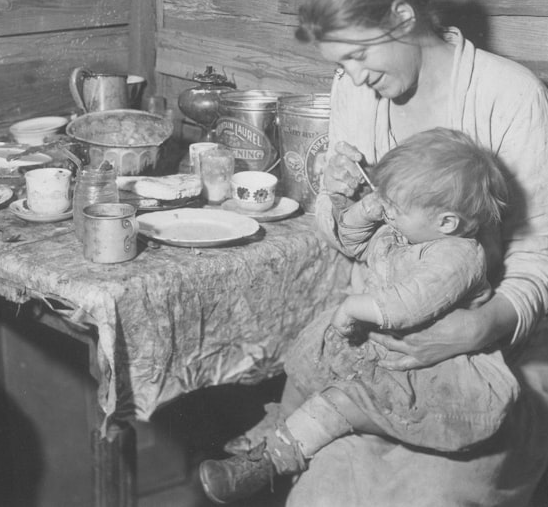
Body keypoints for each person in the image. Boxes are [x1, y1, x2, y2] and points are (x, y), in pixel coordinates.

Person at [242, 0, 548, 506]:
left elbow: (540, 258)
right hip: (391, 336)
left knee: (430, 495)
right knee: (319, 493)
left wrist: (480, 327)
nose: (352, 78)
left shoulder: (513, 97)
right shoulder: (356, 89)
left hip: (504, 350)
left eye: (358, 55)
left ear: (402, 17)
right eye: (340, 63)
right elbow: (351, 243)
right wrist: (334, 199)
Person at [199, 127, 521, 504]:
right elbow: (353, 241)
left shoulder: (457, 256)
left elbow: (405, 306)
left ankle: (274, 459)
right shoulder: (409, 230)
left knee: (347, 398)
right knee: (308, 356)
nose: (388, 212)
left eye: (396, 208)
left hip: (429, 364)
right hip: (384, 342)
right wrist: (366, 209)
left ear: (447, 223)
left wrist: (352, 305)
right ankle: (282, 425)